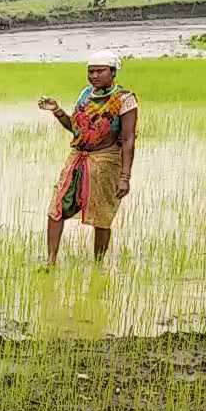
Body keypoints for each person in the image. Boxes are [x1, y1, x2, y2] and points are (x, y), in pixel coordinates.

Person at [38, 50, 138, 265]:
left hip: (106, 161)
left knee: (102, 214)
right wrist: (57, 111)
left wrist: (125, 176)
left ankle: (98, 264)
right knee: (57, 207)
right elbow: (76, 129)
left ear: (113, 72)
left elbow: (129, 140)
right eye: (91, 71)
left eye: (99, 71)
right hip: (77, 157)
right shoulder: (85, 95)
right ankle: (50, 260)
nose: (94, 76)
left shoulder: (124, 100)